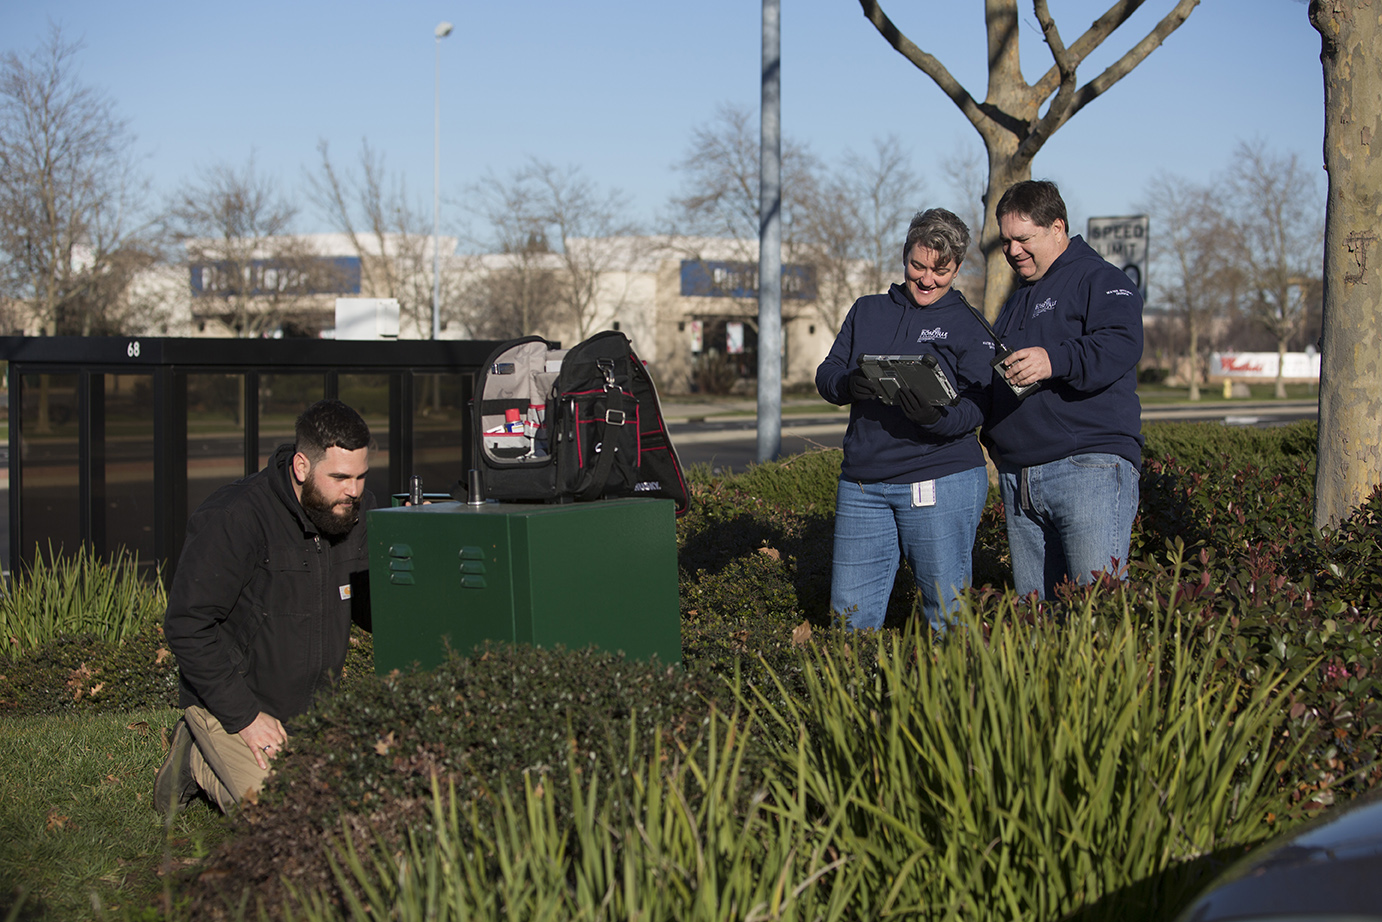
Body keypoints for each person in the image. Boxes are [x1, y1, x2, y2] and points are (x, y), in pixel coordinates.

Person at [154, 398, 375, 815]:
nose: (355, 491)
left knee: (355, 801)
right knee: (283, 816)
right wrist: (246, 716)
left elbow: (370, 607)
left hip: (313, 711)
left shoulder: (350, 513)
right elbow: (187, 624)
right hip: (233, 702)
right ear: (301, 467)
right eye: (341, 477)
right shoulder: (235, 517)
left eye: (362, 476)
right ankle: (198, 754)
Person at [816, 208, 994, 632]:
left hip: (939, 478)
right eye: (918, 265)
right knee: (849, 619)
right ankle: (854, 696)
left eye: (941, 271)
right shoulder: (867, 310)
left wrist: (936, 418)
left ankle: (949, 694)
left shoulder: (968, 323)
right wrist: (849, 384)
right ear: (904, 255)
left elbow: (980, 404)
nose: (927, 279)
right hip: (863, 484)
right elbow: (827, 374)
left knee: (947, 616)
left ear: (958, 267)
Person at [981, 179, 1144, 599]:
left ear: (1057, 228)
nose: (1012, 250)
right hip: (1021, 478)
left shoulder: (1100, 278)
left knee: (1095, 615)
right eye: (1006, 240)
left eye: (1023, 238)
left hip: (1086, 469)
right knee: (1040, 628)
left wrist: (1053, 360)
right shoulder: (1019, 298)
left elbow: (1122, 342)